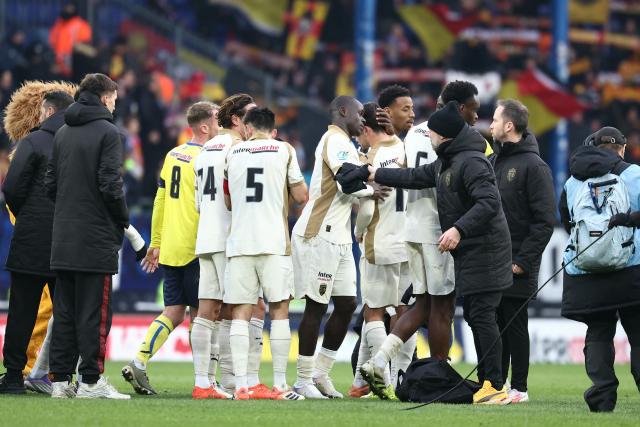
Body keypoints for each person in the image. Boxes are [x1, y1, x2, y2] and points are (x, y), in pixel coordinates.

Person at [344, 101, 513, 405]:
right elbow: (413, 177)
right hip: (452, 243)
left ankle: (491, 383)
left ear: (445, 137)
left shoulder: (470, 161)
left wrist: (458, 229)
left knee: (472, 313)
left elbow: (489, 203)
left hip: (481, 249)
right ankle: (456, 376)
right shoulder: (448, 161)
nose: (428, 137)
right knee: (449, 309)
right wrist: (372, 173)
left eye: (433, 134)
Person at [292, 96, 389, 399]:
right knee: (316, 306)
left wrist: (368, 182)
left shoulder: (348, 144)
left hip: (341, 236)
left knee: (347, 304)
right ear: (343, 112)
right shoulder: (335, 140)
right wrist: (369, 186)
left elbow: (356, 178)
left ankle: (321, 373)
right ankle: (303, 379)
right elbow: (347, 180)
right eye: (360, 113)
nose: (363, 119)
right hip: (319, 232)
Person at [122, 101, 217, 395]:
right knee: (204, 313)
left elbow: (160, 200)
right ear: (204, 126)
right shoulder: (207, 158)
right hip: (197, 245)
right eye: (216, 119)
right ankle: (206, 380)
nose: (220, 124)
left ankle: (139, 361)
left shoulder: (173, 155)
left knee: (174, 312)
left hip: (173, 246)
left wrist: (157, 241)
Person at [44, 73, 129, 399]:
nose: (115, 105)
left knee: (64, 312)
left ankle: (61, 382)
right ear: (105, 98)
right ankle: (91, 381)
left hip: (63, 235)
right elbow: (111, 185)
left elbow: (50, 184)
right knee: (94, 313)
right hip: (95, 238)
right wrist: (120, 219)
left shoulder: (63, 131)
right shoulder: (109, 133)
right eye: (115, 99)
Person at [224, 107, 308, 400]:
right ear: (272, 128)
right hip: (273, 242)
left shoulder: (232, 153)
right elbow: (301, 196)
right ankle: (281, 384)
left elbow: (229, 200)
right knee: (279, 309)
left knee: (241, 313)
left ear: (247, 128)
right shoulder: (284, 150)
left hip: (240, 243)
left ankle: (242, 386)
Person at [560, 127, 640, 412]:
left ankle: (602, 398)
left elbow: (567, 222)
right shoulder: (635, 175)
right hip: (630, 268)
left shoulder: (572, 181)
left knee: (598, 333)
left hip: (587, 271)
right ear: (622, 149)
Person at [0, 90, 73, 394]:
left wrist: (28, 217)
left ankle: (14, 376)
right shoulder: (78, 144)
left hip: (30, 242)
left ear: (46, 111)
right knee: (67, 313)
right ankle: (63, 378)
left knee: (21, 313)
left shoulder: (31, 142)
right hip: (69, 242)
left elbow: (12, 189)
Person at [490, 99, 555, 403]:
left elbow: (544, 222)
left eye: (494, 119)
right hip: (493, 259)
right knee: (497, 324)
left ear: (509, 126)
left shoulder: (534, 166)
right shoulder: (496, 162)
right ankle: (497, 385)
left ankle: (520, 388)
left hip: (517, 263)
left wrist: (523, 262)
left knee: (515, 323)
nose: (489, 125)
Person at [349, 102, 408, 399]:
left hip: (379, 242)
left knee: (373, 311)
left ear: (368, 129)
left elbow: (367, 207)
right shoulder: (404, 149)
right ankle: (397, 380)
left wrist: (359, 231)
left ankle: (382, 378)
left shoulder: (371, 157)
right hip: (407, 242)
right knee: (402, 311)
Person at [189, 103, 233, 400]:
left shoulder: (202, 152)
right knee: (234, 310)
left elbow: (196, 204)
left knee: (207, 312)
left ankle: (203, 383)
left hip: (205, 237)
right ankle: (235, 381)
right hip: (228, 238)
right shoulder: (235, 148)